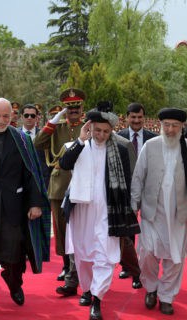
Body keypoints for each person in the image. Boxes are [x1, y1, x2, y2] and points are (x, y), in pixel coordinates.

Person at [59, 108, 140, 320]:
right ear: (90, 127)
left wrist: (129, 206)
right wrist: (80, 140)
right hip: (82, 210)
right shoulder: (78, 146)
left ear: (112, 130)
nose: (101, 135)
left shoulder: (119, 150)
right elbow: (64, 164)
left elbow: (128, 180)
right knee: (83, 255)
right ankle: (86, 288)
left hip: (108, 209)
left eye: (106, 131)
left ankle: (97, 300)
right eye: (97, 130)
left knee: (105, 255)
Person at [131, 107, 187, 315]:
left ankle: (166, 296)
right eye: (167, 125)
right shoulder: (150, 145)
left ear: (182, 127)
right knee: (147, 254)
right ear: (160, 125)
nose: (170, 129)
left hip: (178, 214)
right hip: (151, 212)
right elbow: (138, 177)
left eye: (175, 125)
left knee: (175, 258)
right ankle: (151, 288)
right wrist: (133, 206)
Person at [0, 97, 50, 305]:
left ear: (12, 116)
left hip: (13, 207)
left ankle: (14, 283)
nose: (1, 120)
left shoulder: (22, 140)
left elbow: (32, 173)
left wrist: (35, 203)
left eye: (6, 116)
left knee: (14, 253)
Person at [34, 88, 84, 299]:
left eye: (76, 108)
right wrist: (53, 121)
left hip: (82, 186)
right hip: (60, 186)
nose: (73, 111)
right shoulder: (57, 127)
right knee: (62, 230)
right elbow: (38, 144)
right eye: (69, 108)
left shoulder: (87, 127)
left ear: (82, 108)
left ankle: (80, 269)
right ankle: (66, 266)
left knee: (81, 230)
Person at [117, 102, 156, 283]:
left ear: (144, 118)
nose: (136, 120)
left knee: (147, 228)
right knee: (128, 229)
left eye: (140, 117)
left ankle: (146, 265)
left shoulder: (153, 139)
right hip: (126, 189)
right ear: (127, 118)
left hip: (148, 190)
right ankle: (130, 268)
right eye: (133, 117)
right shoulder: (118, 138)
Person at [18, 103, 50, 188]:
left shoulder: (44, 135)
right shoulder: (14, 134)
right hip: (19, 179)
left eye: (32, 116)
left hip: (41, 179)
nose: (29, 118)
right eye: (26, 115)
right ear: (21, 117)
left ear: (36, 118)